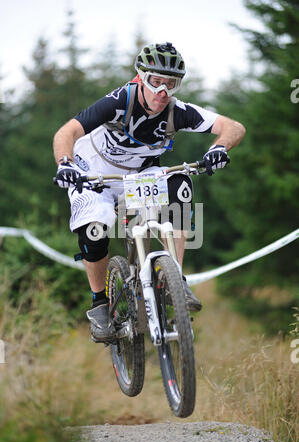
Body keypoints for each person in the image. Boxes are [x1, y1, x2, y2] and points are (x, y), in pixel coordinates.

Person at [53, 42, 246, 343]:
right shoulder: (119, 101)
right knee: (95, 227)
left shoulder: (177, 111)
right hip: (93, 174)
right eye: (156, 81)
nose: (163, 92)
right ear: (141, 78)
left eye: (171, 84)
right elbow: (66, 132)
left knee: (180, 182)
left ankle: (175, 281)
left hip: (137, 178)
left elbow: (233, 126)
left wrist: (219, 147)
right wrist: (65, 164)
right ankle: (100, 304)